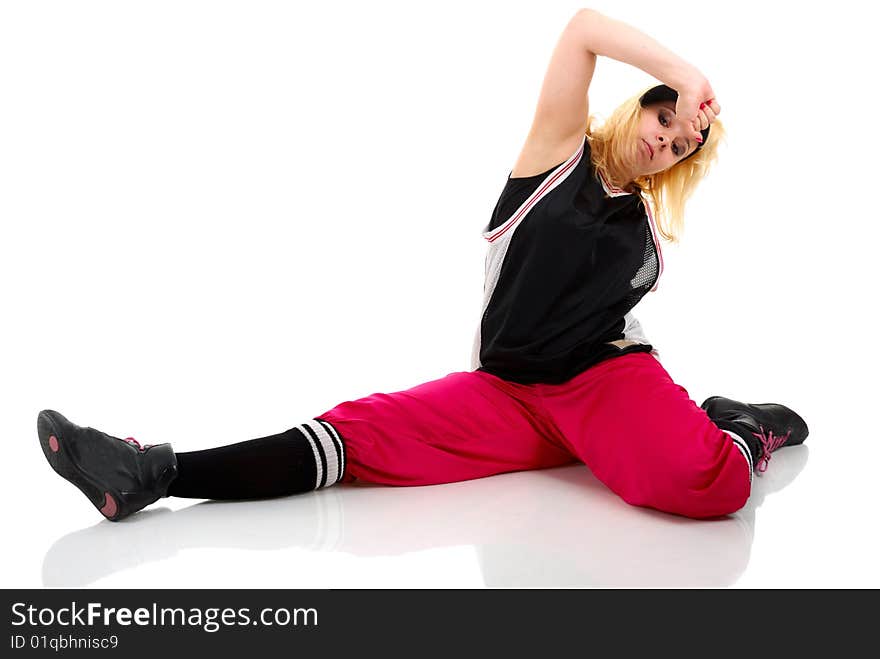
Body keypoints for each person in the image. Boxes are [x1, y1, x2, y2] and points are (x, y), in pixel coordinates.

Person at [37, 9, 808, 523]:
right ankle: (153, 472)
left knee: (714, 486)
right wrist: (689, 72)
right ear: (639, 103)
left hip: (604, 382)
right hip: (509, 388)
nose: (663, 139)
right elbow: (582, 28)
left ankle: (740, 423)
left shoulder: (643, 227)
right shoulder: (556, 153)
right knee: (360, 437)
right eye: (662, 115)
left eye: (678, 145)